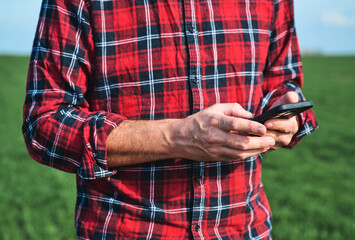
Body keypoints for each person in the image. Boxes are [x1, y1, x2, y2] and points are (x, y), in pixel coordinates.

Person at [23, 0, 318, 239]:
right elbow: (45, 122)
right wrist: (177, 137)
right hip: (126, 231)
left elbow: (282, 83)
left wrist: (286, 112)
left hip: (244, 229)